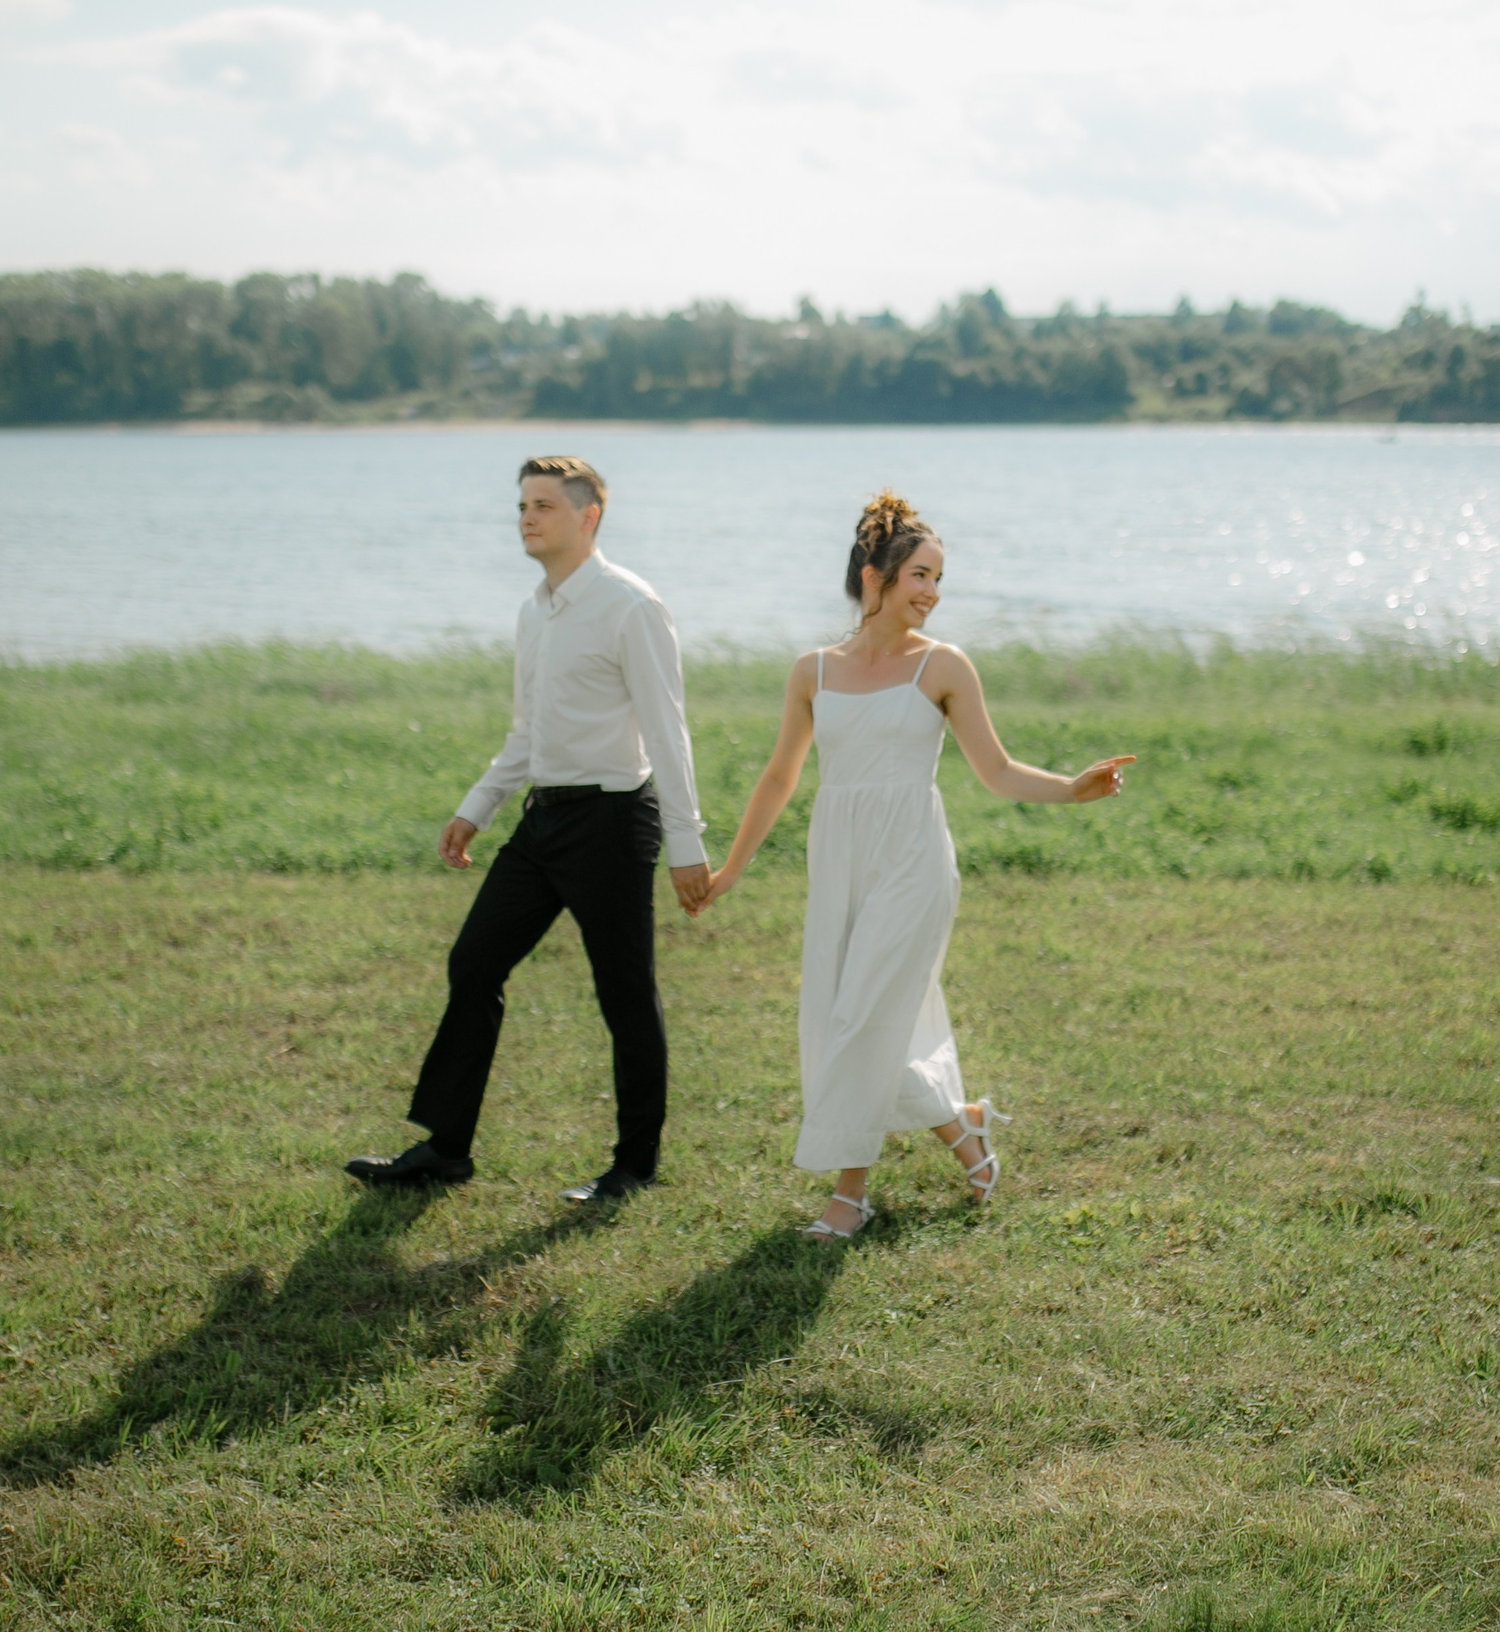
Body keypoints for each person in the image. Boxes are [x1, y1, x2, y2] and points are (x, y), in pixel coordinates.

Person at [701, 493, 1134, 1240]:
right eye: (920, 576)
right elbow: (778, 777)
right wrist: (729, 871)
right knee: (846, 1017)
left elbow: (995, 770)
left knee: (860, 1018)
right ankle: (962, 1126)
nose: (932, 592)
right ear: (874, 576)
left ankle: (849, 1196)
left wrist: (1071, 788)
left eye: (938, 579)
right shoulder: (812, 672)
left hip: (913, 860)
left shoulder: (944, 666)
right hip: (840, 861)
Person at [347, 456, 711, 1202]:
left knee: (624, 994)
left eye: (543, 505)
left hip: (614, 820)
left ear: (588, 516)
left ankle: (634, 1166)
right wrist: (476, 806)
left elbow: (668, 734)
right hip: (543, 821)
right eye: (522, 505)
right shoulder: (533, 611)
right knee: (474, 963)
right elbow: (526, 734)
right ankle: (447, 1149)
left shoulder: (631, 606)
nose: (526, 518)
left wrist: (687, 844)